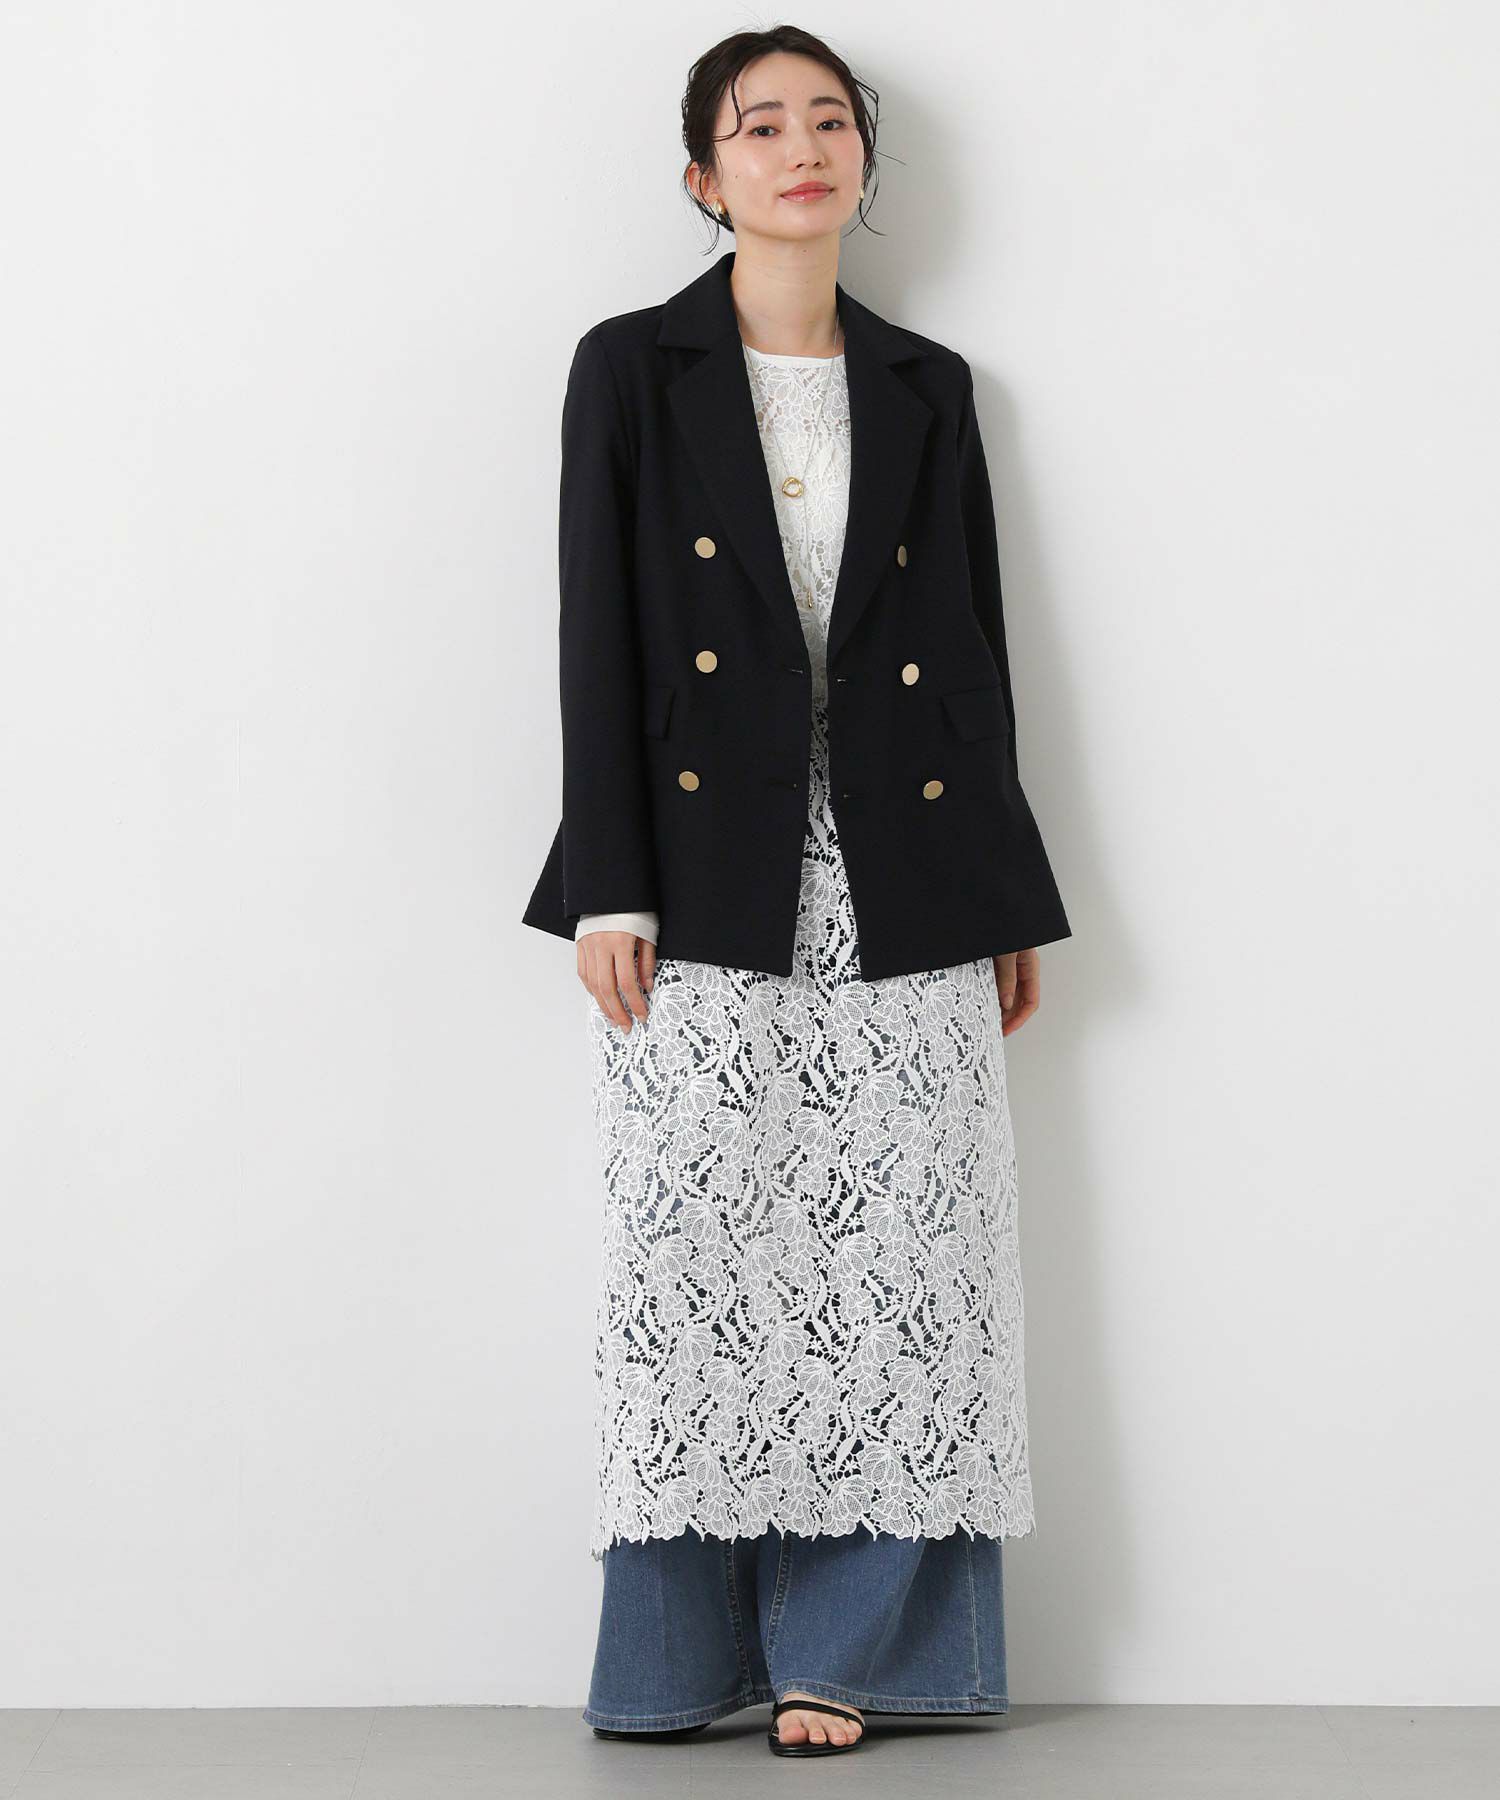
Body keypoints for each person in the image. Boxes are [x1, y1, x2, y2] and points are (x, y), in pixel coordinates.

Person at [520, 24, 1071, 1759]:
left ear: (864, 162)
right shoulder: (631, 367)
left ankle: (856, 1653)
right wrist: (610, 885)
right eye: (759, 126)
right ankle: (678, 1663)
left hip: (905, 874)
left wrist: (1002, 890)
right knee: (694, 1257)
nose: (801, 148)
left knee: (911, 1253)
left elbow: (970, 654)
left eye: (829, 120)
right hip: (703, 879)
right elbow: (596, 638)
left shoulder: (929, 383)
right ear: (705, 176)